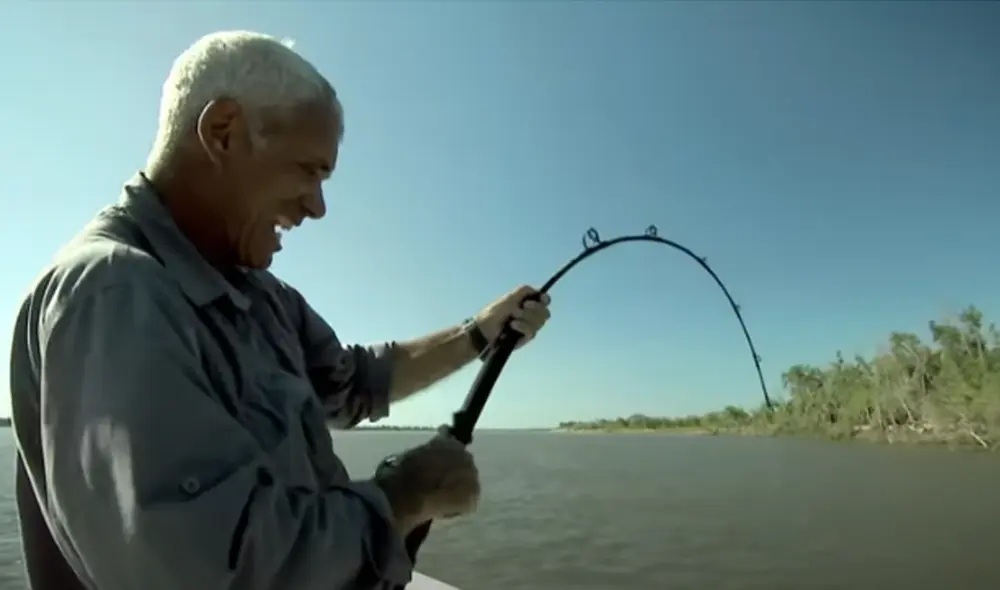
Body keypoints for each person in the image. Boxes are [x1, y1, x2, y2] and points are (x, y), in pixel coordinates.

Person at [8, 31, 552, 590]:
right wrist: (405, 495)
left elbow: (353, 383)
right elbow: (206, 567)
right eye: (310, 171)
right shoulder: (112, 292)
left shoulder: (264, 296)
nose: (317, 206)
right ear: (223, 132)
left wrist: (480, 333)